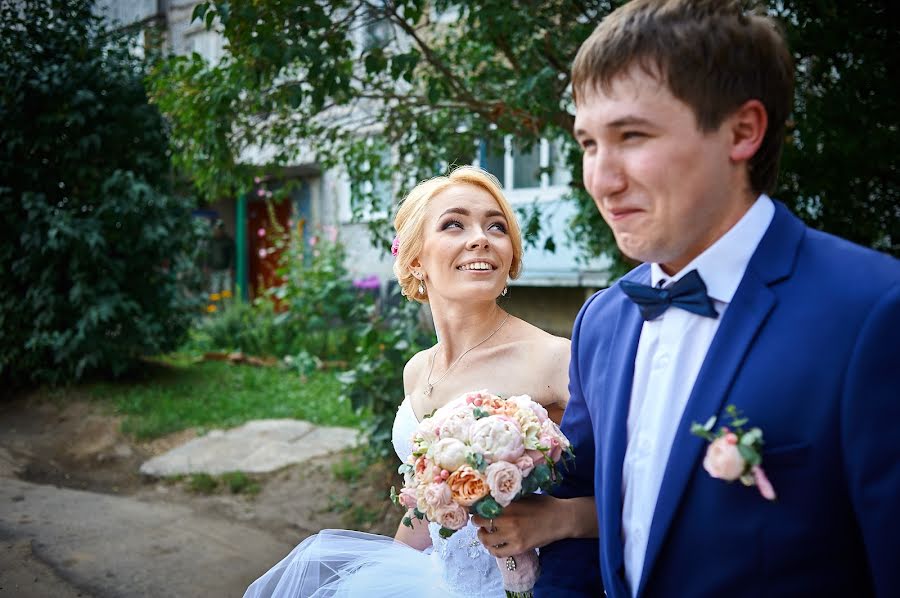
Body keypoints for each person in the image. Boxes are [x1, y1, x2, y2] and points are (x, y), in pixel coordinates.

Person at [536, 1, 900, 597]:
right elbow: (576, 524)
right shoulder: (601, 323)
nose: (600, 179)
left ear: (742, 131)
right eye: (589, 143)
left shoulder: (873, 316)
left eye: (631, 135)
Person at [244, 166, 581, 597]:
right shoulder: (417, 369)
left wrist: (559, 518)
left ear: (510, 253)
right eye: (454, 224)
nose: (481, 237)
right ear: (416, 258)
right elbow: (428, 507)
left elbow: (634, 494)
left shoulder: (555, 359)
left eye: (496, 226)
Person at [207, 219, 235, 295]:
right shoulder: (211, 241)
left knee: (227, 289)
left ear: (222, 230)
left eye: (219, 229)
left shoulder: (228, 241)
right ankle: (215, 306)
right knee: (214, 290)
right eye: (215, 229)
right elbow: (208, 254)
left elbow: (232, 255)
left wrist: (231, 267)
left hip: (226, 270)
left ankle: (227, 306)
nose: (217, 231)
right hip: (214, 270)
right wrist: (207, 266)